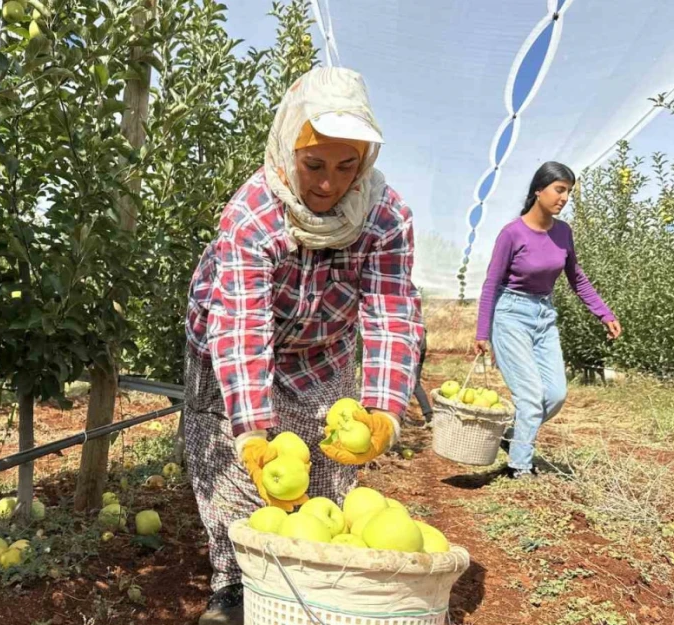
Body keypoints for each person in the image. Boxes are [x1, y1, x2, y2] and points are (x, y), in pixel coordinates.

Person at [183, 67, 424, 625]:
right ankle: (234, 583)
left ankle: (314, 577)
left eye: (348, 166)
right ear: (288, 148)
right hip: (226, 339)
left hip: (323, 347)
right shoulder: (252, 215)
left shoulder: (385, 218)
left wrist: (384, 413)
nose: (327, 184)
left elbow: (391, 314)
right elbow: (243, 329)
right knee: (237, 466)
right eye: (314, 164)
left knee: (325, 466)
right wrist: (252, 431)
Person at [474, 161, 622, 480]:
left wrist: (604, 313)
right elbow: (491, 283)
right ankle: (520, 467)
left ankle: (512, 435)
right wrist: (482, 331)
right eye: (559, 189)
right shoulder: (512, 234)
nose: (564, 197)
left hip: (544, 314)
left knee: (555, 395)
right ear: (538, 190)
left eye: (568, 191)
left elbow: (577, 278)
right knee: (530, 395)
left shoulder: (563, 232)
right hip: (510, 314)